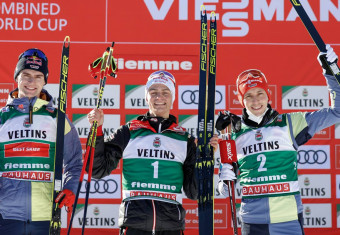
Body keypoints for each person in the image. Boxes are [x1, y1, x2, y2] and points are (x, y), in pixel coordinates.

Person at [216, 45, 340, 235]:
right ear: (242, 100)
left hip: (288, 220)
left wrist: (331, 71)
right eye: (249, 96)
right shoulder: (234, 134)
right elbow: (225, 192)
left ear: (268, 95)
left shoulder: (291, 123)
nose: (256, 101)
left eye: (260, 94)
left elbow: (336, 112)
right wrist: (223, 180)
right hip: (252, 221)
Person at [87, 70, 219, 235]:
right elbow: (96, 169)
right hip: (135, 225)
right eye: (153, 92)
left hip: (171, 226)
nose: (159, 97)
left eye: (165, 92)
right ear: (146, 96)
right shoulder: (129, 132)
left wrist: (205, 158)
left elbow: (195, 192)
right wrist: (97, 130)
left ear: (173, 97)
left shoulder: (185, 140)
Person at [0, 48, 83, 234]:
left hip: (46, 215)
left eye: (38, 76)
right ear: (17, 77)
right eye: (26, 75)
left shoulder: (57, 118)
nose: (31, 81)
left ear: (45, 80)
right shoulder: (2, 118)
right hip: (6, 215)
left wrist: (69, 188)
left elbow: (74, 162)